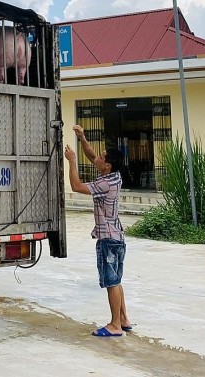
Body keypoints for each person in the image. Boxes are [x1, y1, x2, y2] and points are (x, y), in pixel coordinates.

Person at [64, 124, 132, 337]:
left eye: (102, 158)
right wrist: (82, 138)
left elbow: (76, 186)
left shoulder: (104, 184)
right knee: (117, 280)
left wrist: (72, 161)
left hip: (108, 239)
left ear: (108, 166)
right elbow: (93, 155)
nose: (97, 159)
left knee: (111, 282)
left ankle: (115, 326)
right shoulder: (115, 176)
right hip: (118, 237)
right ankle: (123, 319)